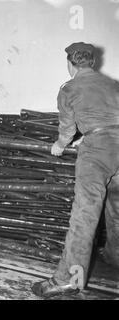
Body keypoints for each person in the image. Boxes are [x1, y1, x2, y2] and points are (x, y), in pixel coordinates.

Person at [32, 42, 119, 298]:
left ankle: (69, 279)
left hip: (97, 152)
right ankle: (115, 258)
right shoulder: (113, 84)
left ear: (70, 63)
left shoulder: (69, 88)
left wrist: (60, 146)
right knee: (117, 208)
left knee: (85, 214)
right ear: (92, 62)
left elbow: (67, 129)